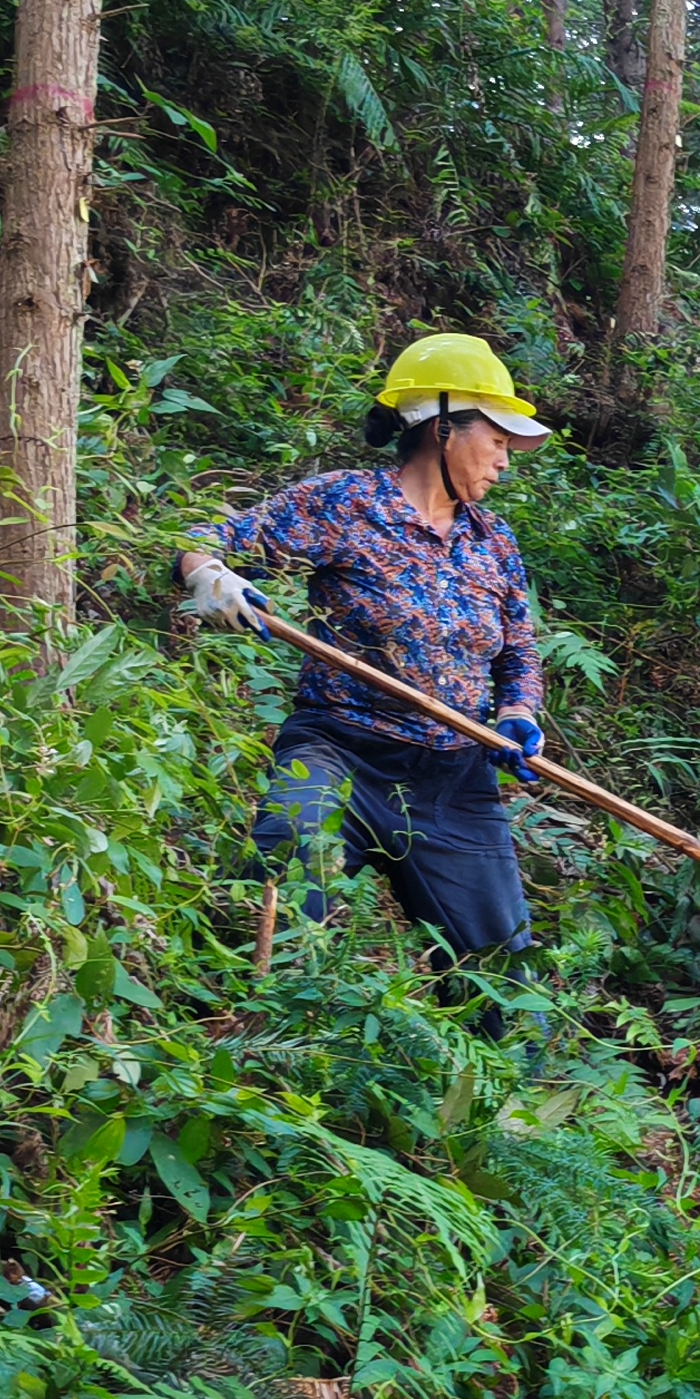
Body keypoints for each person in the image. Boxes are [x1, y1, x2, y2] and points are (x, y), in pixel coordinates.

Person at [174, 334, 550, 960]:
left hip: (454, 777)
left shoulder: (494, 542)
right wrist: (205, 573)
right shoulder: (346, 504)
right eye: (500, 441)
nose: (505, 461)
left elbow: (517, 651)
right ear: (444, 428)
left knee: (503, 974)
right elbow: (209, 537)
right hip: (340, 747)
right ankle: (234, 1027)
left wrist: (518, 712)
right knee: (276, 883)